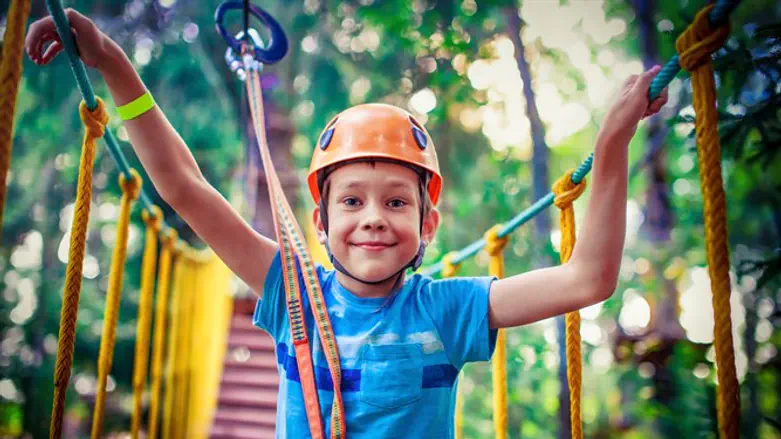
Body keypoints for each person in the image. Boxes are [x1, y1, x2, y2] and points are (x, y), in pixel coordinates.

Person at [26, 8, 668, 438]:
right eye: (352, 202)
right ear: (320, 220)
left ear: (429, 223)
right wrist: (112, 62)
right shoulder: (290, 293)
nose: (374, 219)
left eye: (397, 203)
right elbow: (183, 189)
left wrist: (612, 141)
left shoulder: (448, 311)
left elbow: (588, 279)